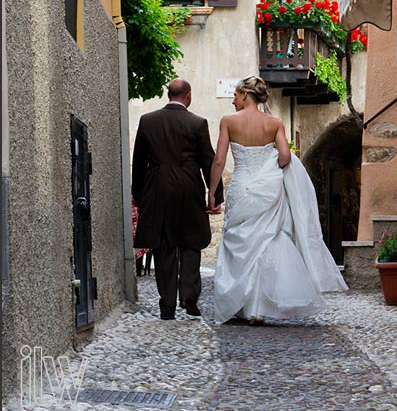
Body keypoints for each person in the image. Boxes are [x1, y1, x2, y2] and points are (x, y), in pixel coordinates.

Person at [208, 75, 348, 325]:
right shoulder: (273, 123)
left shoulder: (229, 122)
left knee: (239, 240)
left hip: (241, 186)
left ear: (244, 94)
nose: (233, 101)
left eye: (235, 96)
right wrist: (269, 168)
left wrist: (211, 191)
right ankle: (259, 308)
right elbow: (285, 156)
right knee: (266, 241)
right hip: (268, 188)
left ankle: (242, 304)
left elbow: (219, 160)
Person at [132, 78, 223, 320]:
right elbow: (208, 160)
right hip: (189, 188)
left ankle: (168, 304)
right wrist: (215, 195)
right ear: (188, 96)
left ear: (168, 95)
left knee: (163, 247)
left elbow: (139, 162)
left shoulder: (148, 121)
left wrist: (139, 195)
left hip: (157, 189)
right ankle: (189, 298)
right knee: (191, 243)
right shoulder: (197, 123)